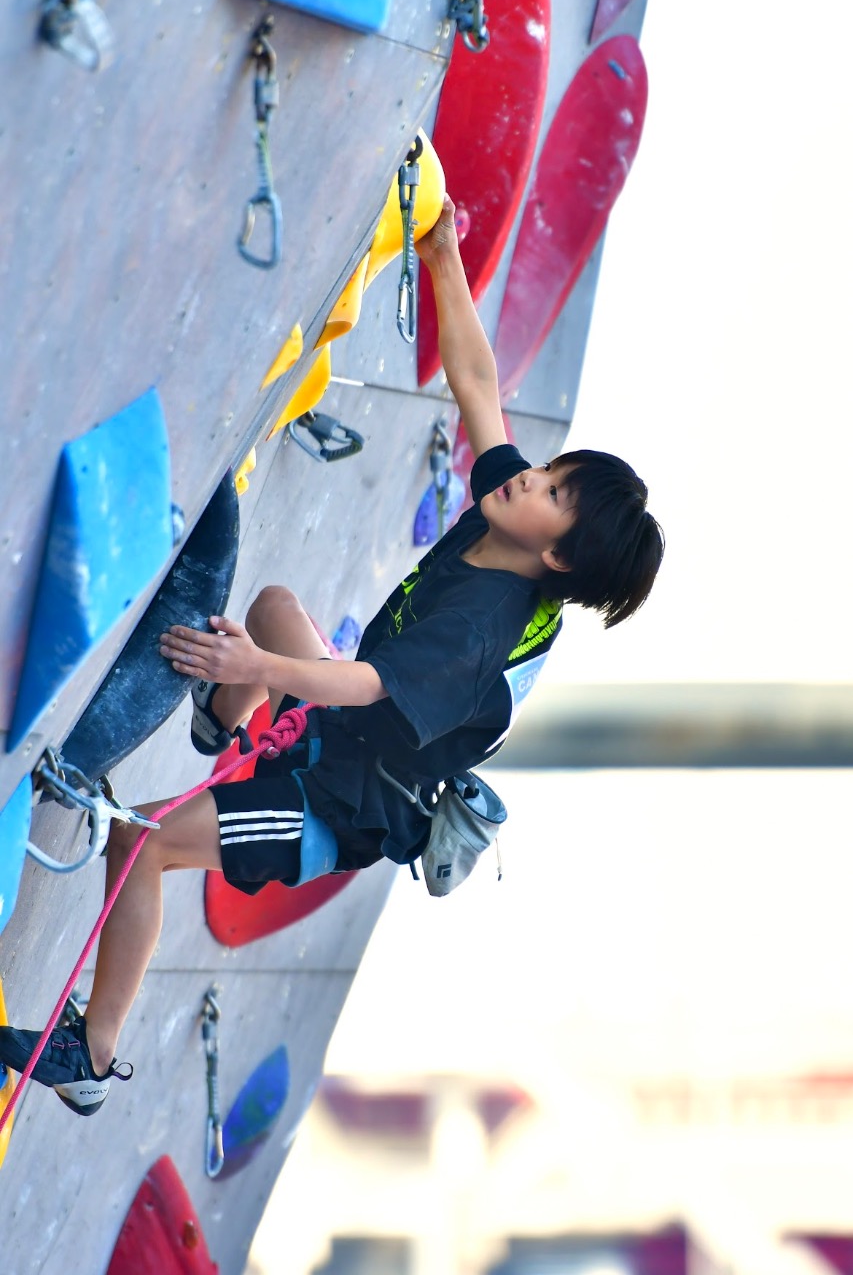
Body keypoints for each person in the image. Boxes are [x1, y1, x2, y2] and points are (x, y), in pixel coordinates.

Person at [0, 196, 664, 1116]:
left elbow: (363, 682)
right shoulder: (500, 519)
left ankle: (95, 1053)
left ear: (555, 556)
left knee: (138, 841)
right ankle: (223, 727)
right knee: (273, 609)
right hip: (339, 732)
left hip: (340, 805)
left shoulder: (479, 628)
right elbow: (476, 382)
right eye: (550, 473)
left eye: (549, 490)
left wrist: (256, 672)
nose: (528, 474)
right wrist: (441, 257)